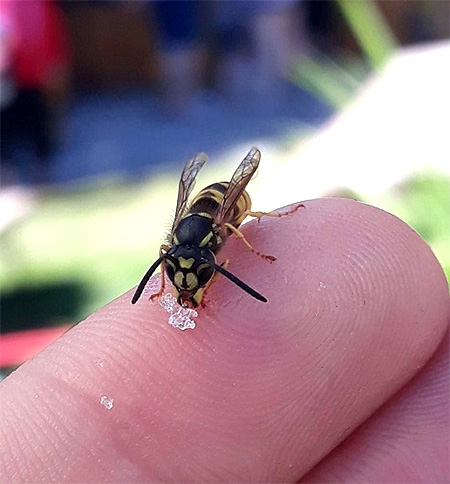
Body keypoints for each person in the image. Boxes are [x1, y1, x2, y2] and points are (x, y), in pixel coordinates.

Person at [0, 197, 448, 482]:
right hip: (195, 218)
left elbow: (228, 229)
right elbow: (174, 253)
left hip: (222, 208)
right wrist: (165, 284)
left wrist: (252, 252)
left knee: (237, 222)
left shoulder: (222, 233)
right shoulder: (178, 248)